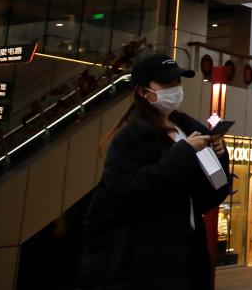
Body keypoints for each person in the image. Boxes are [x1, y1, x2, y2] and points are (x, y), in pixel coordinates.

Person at [81, 53, 230, 290]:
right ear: (143, 92)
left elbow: (208, 196)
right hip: (147, 261)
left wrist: (220, 158)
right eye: (166, 83)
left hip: (189, 255)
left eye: (177, 82)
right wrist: (183, 154)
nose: (175, 89)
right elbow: (126, 192)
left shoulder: (188, 129)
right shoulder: (130, 137)